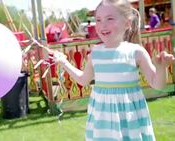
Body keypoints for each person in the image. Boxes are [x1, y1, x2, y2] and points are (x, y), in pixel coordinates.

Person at [51, 0, 175, 140]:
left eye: (110, 19)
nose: (103, 24)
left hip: (129, 119)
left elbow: (158, 84)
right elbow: (83, 80)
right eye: (98, 20)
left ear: (127, 23)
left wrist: (161, 68)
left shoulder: (136, 52)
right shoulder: (95, 54)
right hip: (103, 121)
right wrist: (64, 62)